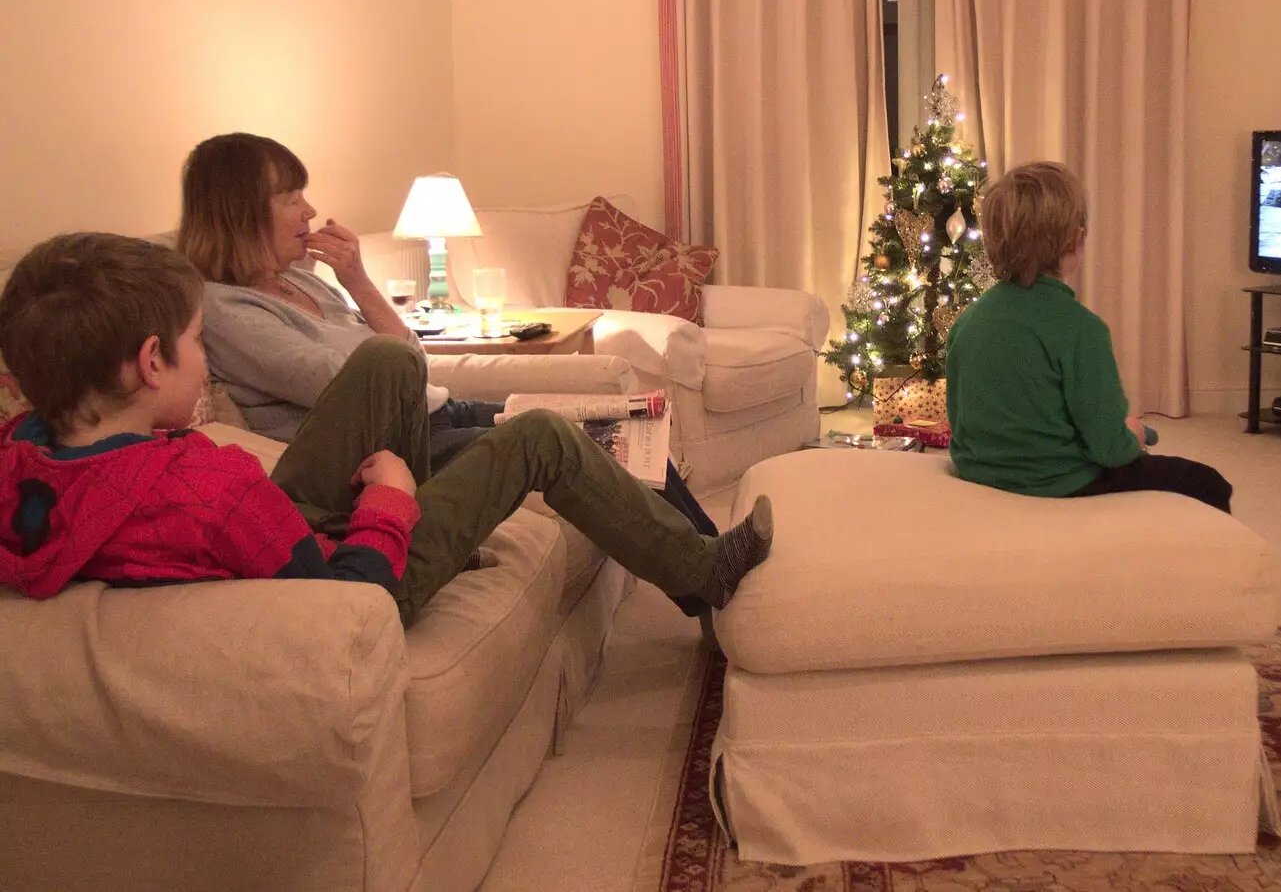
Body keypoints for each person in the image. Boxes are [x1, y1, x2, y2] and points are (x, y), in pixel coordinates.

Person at [0, 233, 773, 625]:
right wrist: (392, 504)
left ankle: (451, 512)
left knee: (385, 362)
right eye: (197, 343)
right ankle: (703, 572)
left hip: (268, 537)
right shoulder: (214, 487)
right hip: (365, 577)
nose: (206, 360)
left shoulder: (26, 453)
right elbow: (346, 603)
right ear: (150, 363)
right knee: (540, 434)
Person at [174, 132, 741, 628]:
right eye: (291, 198)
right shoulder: (227, 310)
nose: (310, 210)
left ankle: (714, 573)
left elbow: (410, 356)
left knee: (626, 429)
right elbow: (351, 380)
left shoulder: (308, 283)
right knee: (572, 439)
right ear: (242, 213)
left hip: (437, 412)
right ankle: (715, 581)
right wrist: (395, 355)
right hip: (390, 450)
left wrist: (358, 282)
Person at [946, 161, 1232, 513]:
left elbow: (960, 417)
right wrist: (1136, 435)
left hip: (980, 473)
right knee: (1209, 482)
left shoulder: (969, 320)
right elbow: (1111, 450)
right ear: (1075, 239)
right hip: (1060, 482)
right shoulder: (1082, 330)